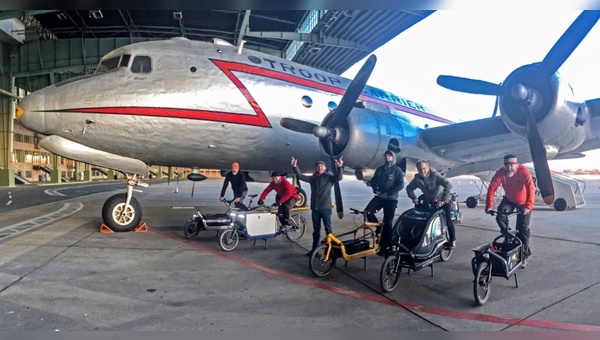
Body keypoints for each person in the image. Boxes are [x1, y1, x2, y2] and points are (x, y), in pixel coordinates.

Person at [485, 154, 535, 268]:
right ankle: (508, 236)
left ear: (516, 164)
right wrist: (489, 205)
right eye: (507, 166)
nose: (509, 168)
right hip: (509, 200)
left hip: (524, 202)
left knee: (522, 229)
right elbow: (492, 188)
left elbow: (531, 188)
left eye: (511, 165)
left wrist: (528, 206)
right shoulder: (501, 172)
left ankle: (524, 255)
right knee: (500, 215)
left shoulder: (523, 171)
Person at [291, 156, 344, 256]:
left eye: (322, 166)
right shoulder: (313, 178)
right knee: (316, 231)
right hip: (315, 208)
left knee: (328, 230)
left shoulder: (329, 177)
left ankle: (330, 252)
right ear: (316, 168)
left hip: (325, 208)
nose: (320, 167)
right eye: (318, 166)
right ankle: (315, 250)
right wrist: (295, 167)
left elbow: (339, 177)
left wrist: (340, 167)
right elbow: (301, 177)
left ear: (325, 168)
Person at [406, 160, 456, 248]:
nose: (422, 171)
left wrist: (444, 200)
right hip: (430, 200)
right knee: (423, 219)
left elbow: (448, 185)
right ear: (417, 169)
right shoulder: (417, 178)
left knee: (448, 220)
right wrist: (414, 197)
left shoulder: (435, 175)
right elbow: (409, 188)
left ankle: (452, 240)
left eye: (424, 168)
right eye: (420, 169)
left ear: (428, 168)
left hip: (442, 199)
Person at [365, 150, 405, 255]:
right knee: (367, 212)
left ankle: (386, 247)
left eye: (389, 156)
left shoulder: (397, 170)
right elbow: (373, 181)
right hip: (379, 197)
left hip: (391, 199)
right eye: (386, 156)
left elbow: (400, 185)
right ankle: (379, 229)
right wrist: (375, 190)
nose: (387, 158)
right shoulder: (380, 169)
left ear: (393, 158)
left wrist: (388, 193)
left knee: (388, 222)